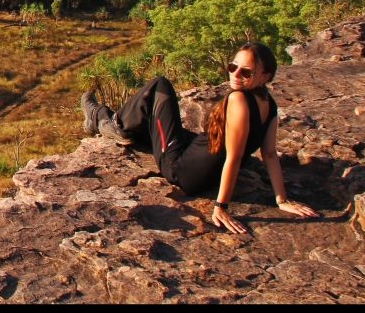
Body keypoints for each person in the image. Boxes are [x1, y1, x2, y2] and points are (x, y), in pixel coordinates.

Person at [81, 42, 319, 234]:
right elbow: (268, 154)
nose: (236, 75)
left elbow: (234, 158)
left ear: (265, 77)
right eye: (232, 67)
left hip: (181, 171)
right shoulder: (269, 103)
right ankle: (113, 121)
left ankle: (106, 120)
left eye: (246, 72)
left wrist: (221, 208)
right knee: (157, 124)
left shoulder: (238, 100)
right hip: (202, 163)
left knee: (159, 85)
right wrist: (281, 199)